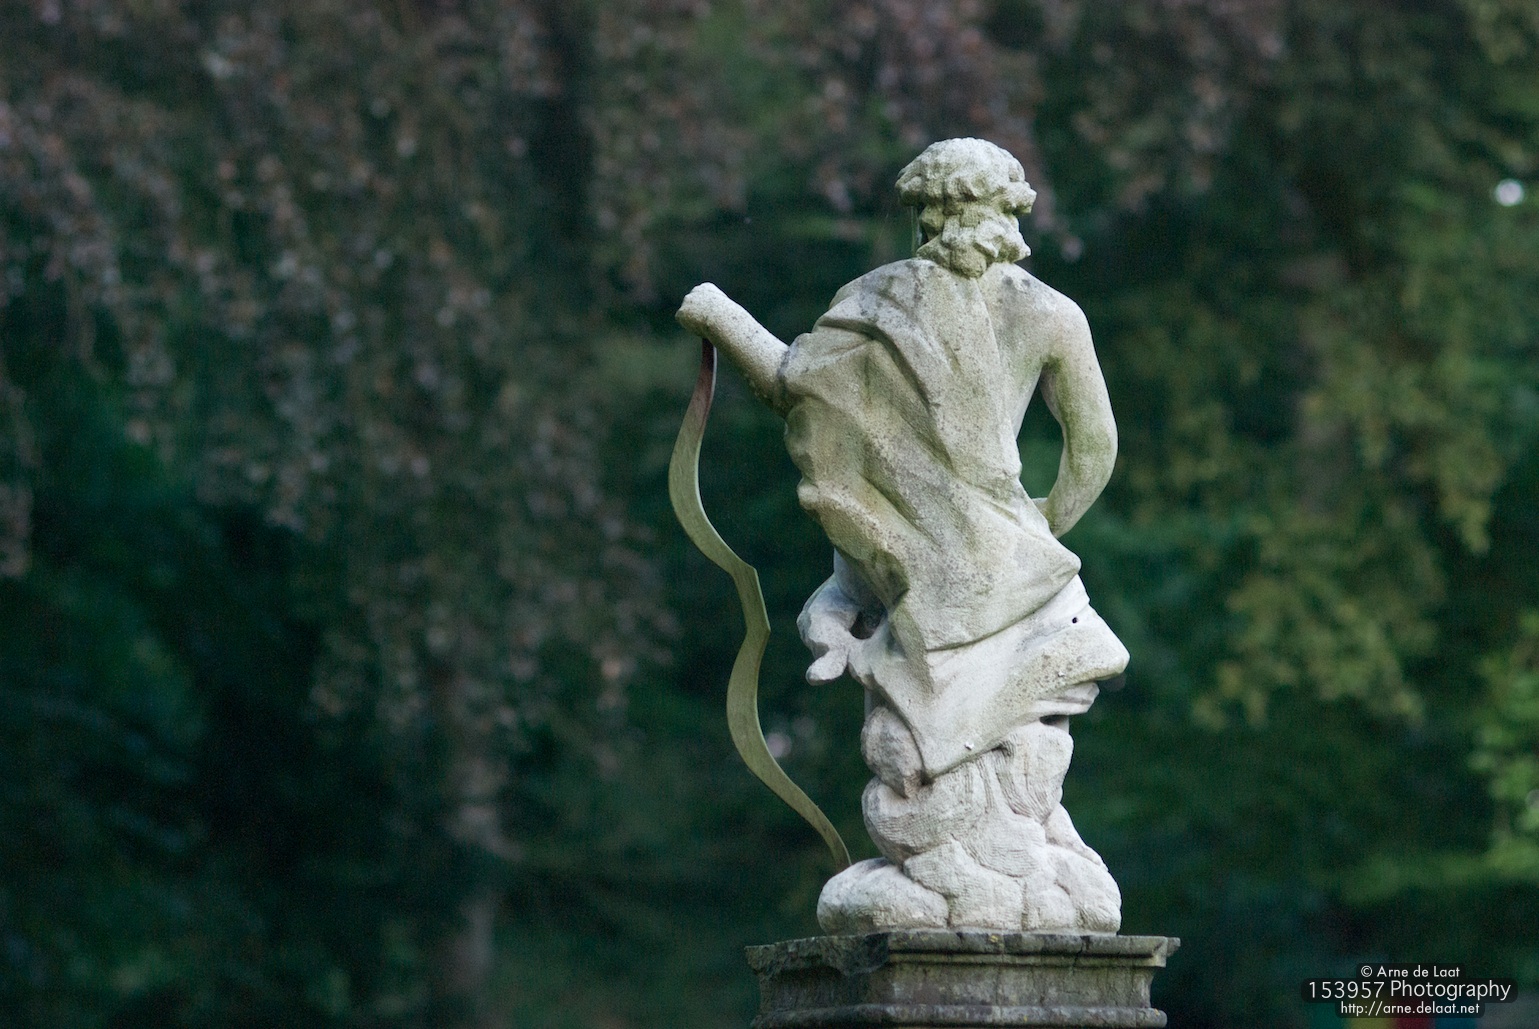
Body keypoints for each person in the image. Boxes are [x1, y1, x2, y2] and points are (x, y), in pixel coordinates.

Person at [678, 138, 1127, 932]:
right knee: (949, 740)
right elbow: (1092, 452)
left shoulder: (879, 300)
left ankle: (996, 870)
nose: (940, 223)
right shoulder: (1047, 312)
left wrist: (715, 313)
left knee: (946, 739)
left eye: (939, 209)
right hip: (979, 564)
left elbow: (791, 385)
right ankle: (981, 873)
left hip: (939, 566)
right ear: (1009, 213)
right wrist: (1034, 534)